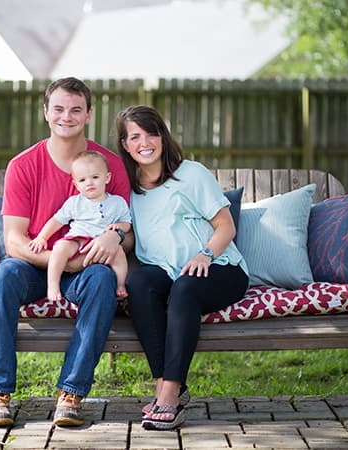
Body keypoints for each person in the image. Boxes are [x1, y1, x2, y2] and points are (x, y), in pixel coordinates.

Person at [0, 77, 132, 428]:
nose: (67, 116)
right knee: (2, 277)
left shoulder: (108, 166)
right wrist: (61, 260)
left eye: (76, 109)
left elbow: (129, 233)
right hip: (35, 267)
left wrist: (117, 238)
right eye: (59, 109)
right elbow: (15, 241)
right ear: (46, 113)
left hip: (89, 266)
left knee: (102, 279)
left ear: (89, 114)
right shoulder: (24, 165)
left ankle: (71, 392)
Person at [115, 105, 249, 431]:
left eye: (151, 133)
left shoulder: (191, 174)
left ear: (162, 136)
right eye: (135, 136)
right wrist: (115, 237)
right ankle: (166, 384)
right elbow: (131, 235)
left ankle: (169, 395)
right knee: (140, 283)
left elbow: (226, 226)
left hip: (219, 267)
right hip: (164, 269)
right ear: (125, 144)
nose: (144, 142)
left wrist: (205, 255)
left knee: (185, 287)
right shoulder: (127, 189)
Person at [29, 150, 132, 300]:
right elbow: (57, 220)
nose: (89, 183)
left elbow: (126, 222)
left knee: (119, 254)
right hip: (77, 240)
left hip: (102, 243)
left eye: (95, 177)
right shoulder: (74, 202)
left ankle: (120, 285)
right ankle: (53, 285)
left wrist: (118, 228)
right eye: (82, 180)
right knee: (60, 248)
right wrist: (42, 237)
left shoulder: (117, 202)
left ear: (107, 178)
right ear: (75, 184)